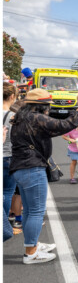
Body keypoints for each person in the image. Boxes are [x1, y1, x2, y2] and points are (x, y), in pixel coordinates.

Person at [10, 88, 78, 264]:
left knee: (29, 210)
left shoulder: (21, 117)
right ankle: (31, 253)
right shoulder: (36, 118)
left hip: (21, 168)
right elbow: (65, 125)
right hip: (32, 168)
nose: (49, 109)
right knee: (36, 211)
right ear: (42, 106)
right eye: (48, 106)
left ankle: (33, 245)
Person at [3, 82, 18, 241]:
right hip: (8, 156)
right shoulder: (12, 116)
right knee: (7, 192)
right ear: (12, 96)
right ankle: (4, 224)